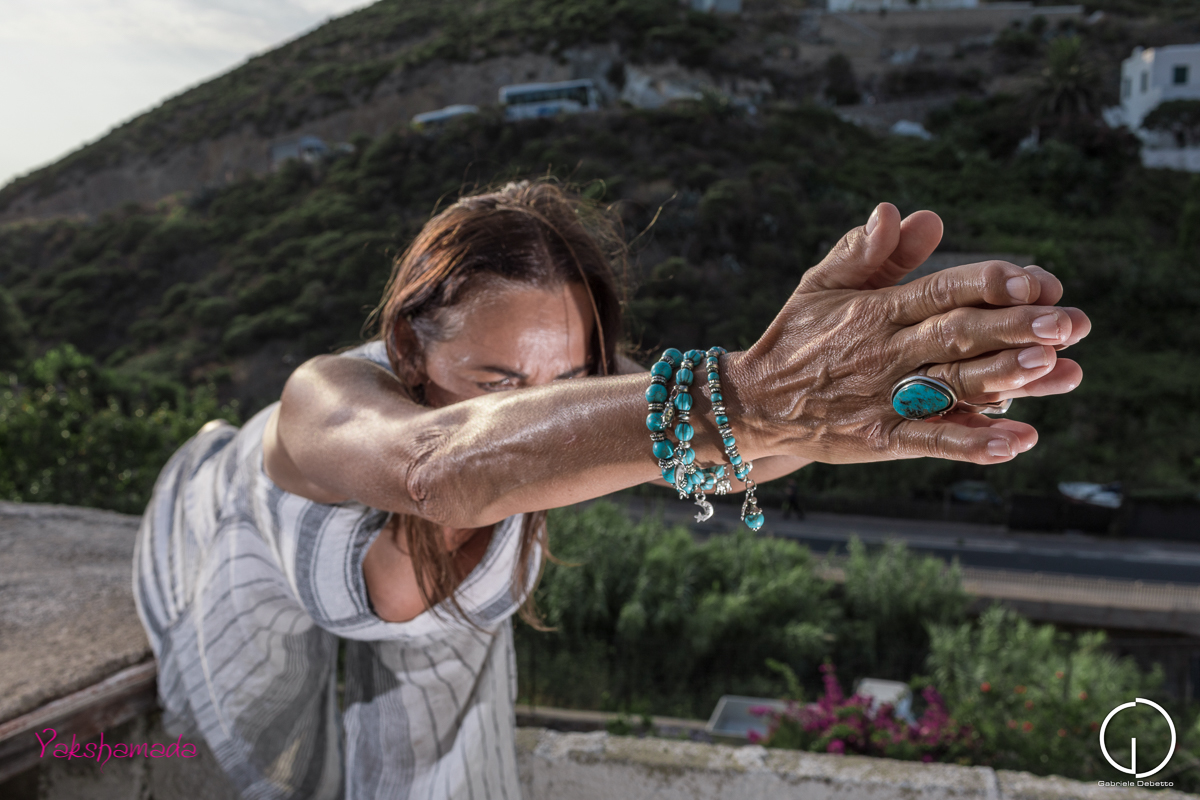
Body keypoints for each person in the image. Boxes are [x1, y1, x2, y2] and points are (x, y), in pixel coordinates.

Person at [133, 181, 1089, 799]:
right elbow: (439, 469)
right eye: (499, 382)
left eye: (567, 384)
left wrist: (863, 398)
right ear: (409, 347)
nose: (537, 413)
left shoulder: (580, 415)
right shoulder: (324, 401)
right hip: (217, 539)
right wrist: (752, 394)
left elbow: (723, 447)